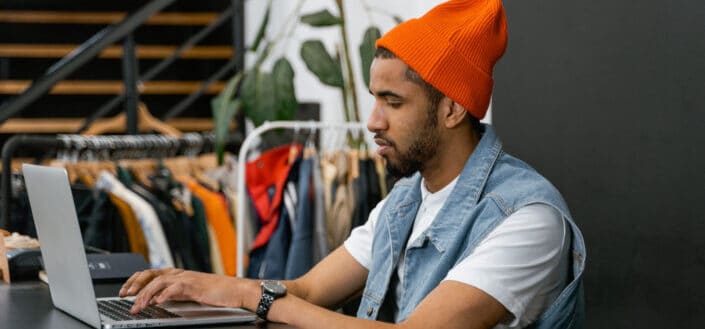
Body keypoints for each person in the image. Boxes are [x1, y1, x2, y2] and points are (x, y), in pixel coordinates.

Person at [121, 0, 586, 328]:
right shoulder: (405, 200)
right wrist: (202, 286)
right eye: (373, 99)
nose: (372, 121)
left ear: (452, 108)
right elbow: (304, 291)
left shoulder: (528, 220)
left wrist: (249, 296)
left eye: (393, 102)